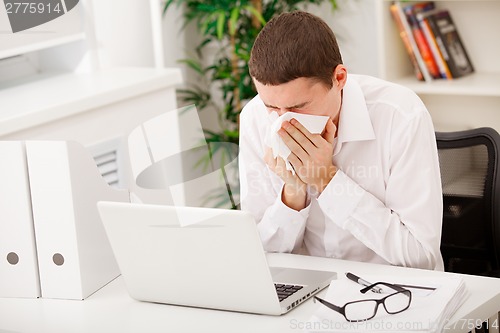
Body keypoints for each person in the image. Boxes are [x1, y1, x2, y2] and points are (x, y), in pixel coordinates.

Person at [238, 11, 444, 270]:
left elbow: (420, 258)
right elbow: (258, 255)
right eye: (271, 106)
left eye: (298, 107)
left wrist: (327, 181)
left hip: (392, 293)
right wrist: (293, 194)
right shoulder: (255, 118)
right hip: (307, 292)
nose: (283, 122)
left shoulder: (400, 115)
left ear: (339, 79)